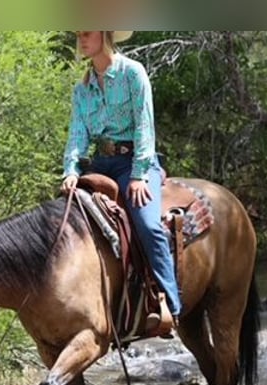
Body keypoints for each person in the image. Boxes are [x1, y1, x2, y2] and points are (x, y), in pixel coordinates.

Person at [60, 30, 181, 335]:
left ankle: (171, 306)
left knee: (147, 223)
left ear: (104, 34)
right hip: (101, 164)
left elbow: (144, 125)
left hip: (136, 161)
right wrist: (70, 170)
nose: (81, 40)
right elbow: (77, 134)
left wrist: (140, 174)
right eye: (78, 35)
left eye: (87, 33)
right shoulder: (82, 89)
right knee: (65, 221)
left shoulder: (132, 73)